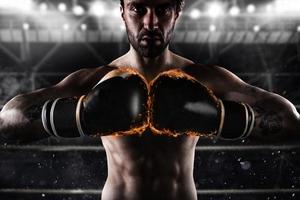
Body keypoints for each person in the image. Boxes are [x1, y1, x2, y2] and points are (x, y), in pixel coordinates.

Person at [0, 0, 300, 199]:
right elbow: (8, 119)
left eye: (163, 9)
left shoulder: (203, 78)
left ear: (177, 13)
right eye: (138, 8)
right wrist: (78, 114)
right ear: (122, 12)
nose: (151, 21)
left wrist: (219, 116)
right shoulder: (99, 79)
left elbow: (289, 121)